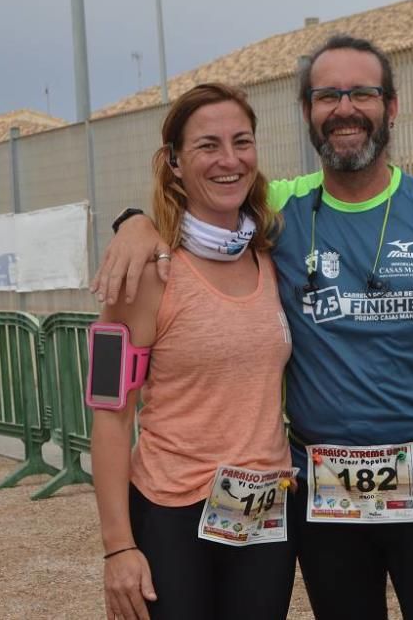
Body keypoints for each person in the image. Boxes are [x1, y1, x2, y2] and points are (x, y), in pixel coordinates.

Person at [91, 35, 413, 620]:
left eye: (362, 92)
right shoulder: (280, 211)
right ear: (309, 113)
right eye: (326, 96)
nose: (344, 108)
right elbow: (201, 205)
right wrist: (133, 223)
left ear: (391, 107)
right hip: (319, 499)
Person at [91, 83, 297, 620]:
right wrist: (119, 548)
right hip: (171, 513)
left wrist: (132, 216)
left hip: (262, 510)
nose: (229, 160)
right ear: (174, 163)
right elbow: (110, 415)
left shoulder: (271, 254)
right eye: (208, 145)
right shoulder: (145, 273)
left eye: (241, 141)